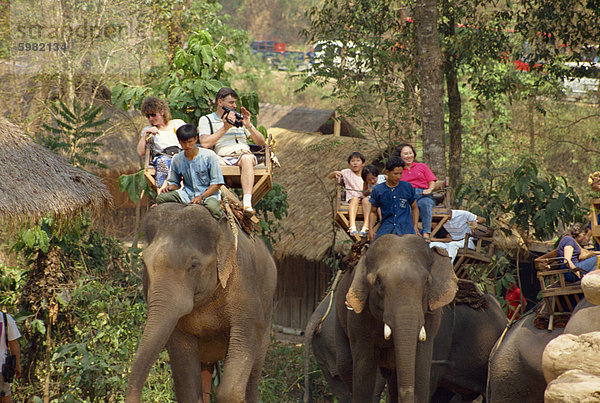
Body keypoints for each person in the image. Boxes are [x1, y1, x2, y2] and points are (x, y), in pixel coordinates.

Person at [198, 87, 266, 217]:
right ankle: (213, 197)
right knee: (210, 159)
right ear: (220, 102)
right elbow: (205, 143)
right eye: (231, 103)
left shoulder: (239, 119)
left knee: (247, 158)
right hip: (222, 157)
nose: (234, 106)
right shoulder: (206, 119)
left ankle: (247, 202)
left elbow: (261, 142)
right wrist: (225, 128)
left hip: (243, 156)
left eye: (235, 103)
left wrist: (248, 125)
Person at [156, 124, 225, 220]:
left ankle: (223, 225)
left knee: (213, 208)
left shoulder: (209, 156)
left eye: (190, 142)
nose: (187, 146)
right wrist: (171, 187)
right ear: (179, 142)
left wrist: (201, 197)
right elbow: (175, 182)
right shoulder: (177, 158)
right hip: (187, 194)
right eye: (183, 143)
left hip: (208, 196)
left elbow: (217, 183)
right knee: (161, 198)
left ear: (196, 139)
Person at [136, 97, 186, 188]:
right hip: (163, 158)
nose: (151, 118)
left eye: (153, 115)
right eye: (148, 116)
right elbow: (140, 152)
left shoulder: (177, 124)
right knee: (163, 162)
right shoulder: (148, 130)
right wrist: (145, 135)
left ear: (162, 112)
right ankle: (162, 189)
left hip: (180, 155)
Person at [368, 156, 419, 241]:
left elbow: (414, 207)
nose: (398, 177)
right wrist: (370, 230)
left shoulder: (407, 187)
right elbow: (373, 212)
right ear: (387, 172)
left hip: (406, 229)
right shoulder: (378, 190)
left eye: (400, 173)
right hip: (386, 228)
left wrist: (415, 227)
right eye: (395, 174)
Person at [393, 143, 437, 240]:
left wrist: (429, 189)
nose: (409, 156)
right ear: (399, 156)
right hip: (406, 197)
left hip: (422, 195)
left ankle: (426, 233)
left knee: (426, 203)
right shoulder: (397, 170)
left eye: (410, 153)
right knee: (403, 206)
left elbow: (432, 181)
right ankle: (407, 233)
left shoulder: (422, 166)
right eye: (405, 154)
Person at [328, 152, 368, 236]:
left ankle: (365, 226)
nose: (355, 163)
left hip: (365, 197)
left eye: (358, 161)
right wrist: (334, 173)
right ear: (349, 163)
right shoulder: (346, 172)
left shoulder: (366, 173)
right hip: (352, 197)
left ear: (363, 163)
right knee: (355, 199)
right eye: (352, 161)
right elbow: (330, 177)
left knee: (366, 201)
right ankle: (352, 226)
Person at [0, 312, 21, 402]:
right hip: (1, 368)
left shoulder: (5, 318)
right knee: (5, 398)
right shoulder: (5, 318)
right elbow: (13, 344)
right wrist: (17, 365)